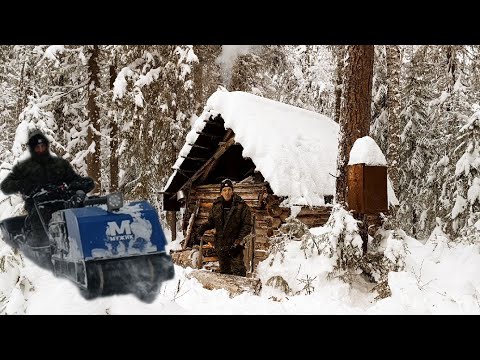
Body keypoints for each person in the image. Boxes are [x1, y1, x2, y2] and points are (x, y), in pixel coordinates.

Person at [0, 129, 95, 250]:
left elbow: (73, 179)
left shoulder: (60, 164)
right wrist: (25, 184)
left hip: (62, 200)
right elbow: (6, 186)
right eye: (37, 147)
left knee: (83, 203)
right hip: (38, 204)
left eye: (42, 146)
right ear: (32, 149)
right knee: (40, 225)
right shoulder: (24, 167)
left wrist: (81, 184)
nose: (40, 149)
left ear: (46, 146)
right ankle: (43, 246)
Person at [196, 178, 252, 277]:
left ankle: (241, 292)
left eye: (229, 190)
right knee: (225, 273)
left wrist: (238, 242)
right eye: (224, 190)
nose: (227, 193)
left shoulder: (241, 206)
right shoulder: (216, 206)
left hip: (235, 246)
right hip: (221, 245)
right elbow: (211, 222)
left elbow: (247, 226)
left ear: (232, 191)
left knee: (238, 271)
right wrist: (202, 228)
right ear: (221, 192)